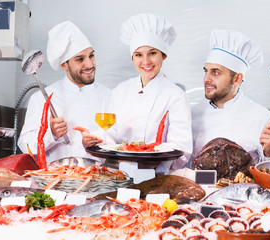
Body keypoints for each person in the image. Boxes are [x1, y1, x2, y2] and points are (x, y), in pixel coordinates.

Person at [76, 13, 192, 173]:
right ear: (132, 58)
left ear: (163, 55)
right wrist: (93, 140)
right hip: (118, 174)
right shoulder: (120, 91)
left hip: (158, 177)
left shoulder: (176, 95)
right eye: (139, 55)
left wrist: (149, 159)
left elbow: (181, 148)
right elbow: (110, 133)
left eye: (152, 53)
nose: (146, 61)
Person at [18, 21, 111, 166]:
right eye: (80, 59)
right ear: (64, 65)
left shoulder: (109, 96)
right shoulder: (41, 98)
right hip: (55, 182)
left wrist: (96, 142)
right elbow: (25, 146)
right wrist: (51, 135)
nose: (90, 64)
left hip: (97, 182)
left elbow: (120, 142)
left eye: (91, 56)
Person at [192, 29, 270, 164]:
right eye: (206, 71)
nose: (206, 79)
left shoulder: (262, 118)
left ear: (237, 79)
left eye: (216, 72)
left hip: (242, 185)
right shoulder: (191, 113)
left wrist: (269, 152)